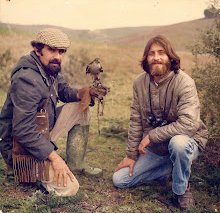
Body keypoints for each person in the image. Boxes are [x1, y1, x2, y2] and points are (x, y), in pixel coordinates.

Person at [0, 28, 103, 197]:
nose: (58, 56)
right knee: (70, 188)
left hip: (41, 130)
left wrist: (84, 93)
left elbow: (64, 91)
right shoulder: (27, 78)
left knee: (81, 109)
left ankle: (76, 163)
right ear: (38, 49)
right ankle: (21, 171)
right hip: (21, 147)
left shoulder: (49, 68)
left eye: (61, 51)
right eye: (52, 50)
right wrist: (56, 159)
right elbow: (22, 130)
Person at [113, 35, 208, 210]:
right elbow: (136, 120)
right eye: (151, 53)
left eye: (161, 53)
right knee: (120, 180)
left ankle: (181, 189)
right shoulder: (139, 82)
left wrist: (152, 136)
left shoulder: (184, 82)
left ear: (170, 57)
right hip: (157, 149)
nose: (156, 57)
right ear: (146, 58)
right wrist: (131, 155)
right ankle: (168, 169)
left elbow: (189, 124)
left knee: (178, 144)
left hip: (187, 141)